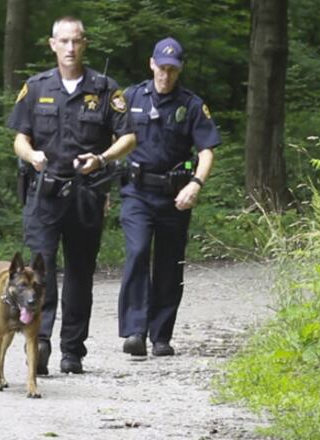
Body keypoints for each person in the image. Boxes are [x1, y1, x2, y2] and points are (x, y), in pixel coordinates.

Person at [7, 16, 136, 374]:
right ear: (52, 45)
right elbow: (20, 137)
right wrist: (31, 155)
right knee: (39, 272)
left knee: (80, 274)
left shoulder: (105, 89)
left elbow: (128, 137)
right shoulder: (36, 87)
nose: (70, 48)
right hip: (43, 196)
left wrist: (103, 158)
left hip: (85, 196)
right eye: (63, 41)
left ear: (85, 43)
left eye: (76, 41)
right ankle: (41, 343)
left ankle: (72, 351)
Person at [118, 37, 220, 357]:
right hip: (136, 191)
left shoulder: (191, 105)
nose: (166, 75)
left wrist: (196, 184)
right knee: (136, 253)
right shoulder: (131, 97)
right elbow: (111, 140)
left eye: (172, 70)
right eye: (161, 68)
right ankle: (135, 331)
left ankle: (161, 335)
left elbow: (206, 151)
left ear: (179, 70)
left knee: (169, 264)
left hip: (174, 195)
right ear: (152, 64)